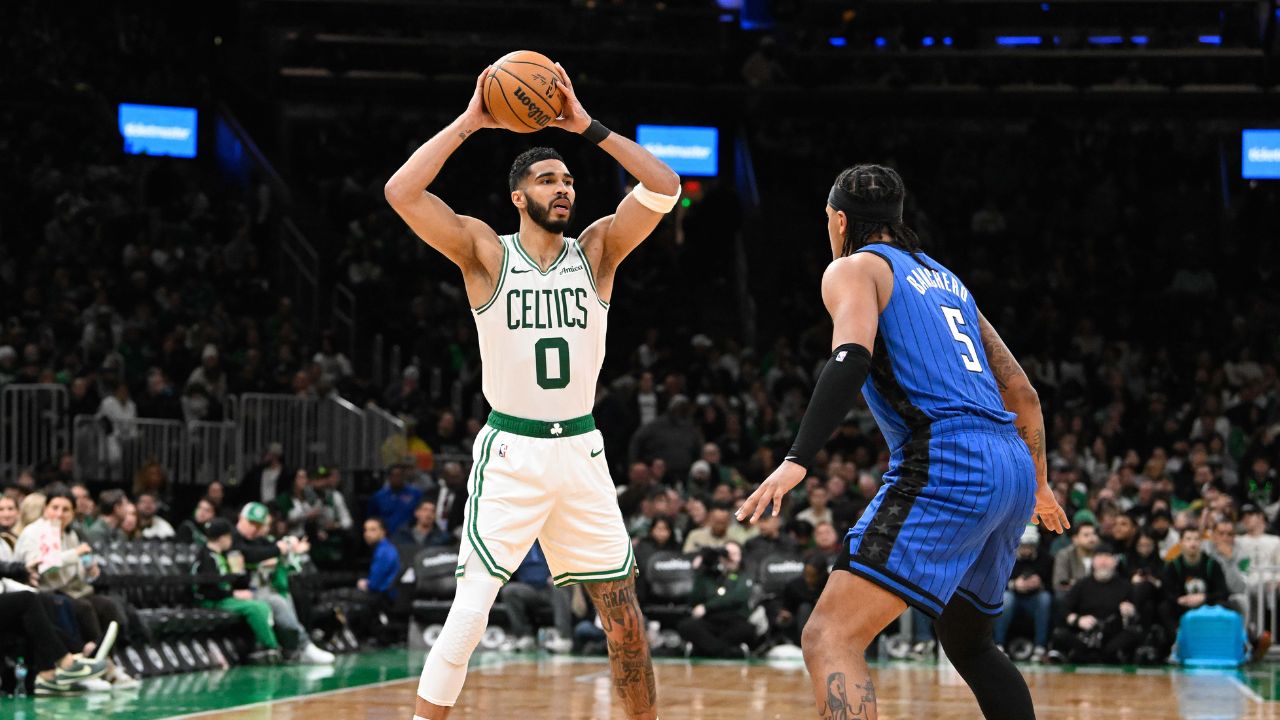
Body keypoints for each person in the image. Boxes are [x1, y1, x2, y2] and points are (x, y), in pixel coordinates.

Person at [385, 61, 679, 720]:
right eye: (548, 180)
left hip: (580, 451)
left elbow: (665, 186)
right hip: (513, 451)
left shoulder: (598, 251)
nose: (563, 188)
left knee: (625, 622)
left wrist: (587, 127)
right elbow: (402, 192)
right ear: (518, 196)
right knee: (470, 612)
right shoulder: (486, 253)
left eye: (568, 180)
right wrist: (471, 121)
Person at [736, 164, 1068, 720]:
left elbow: (851, 357)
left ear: (840, 221)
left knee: (829, 635)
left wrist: (797, 458)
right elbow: (1023, 392)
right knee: (970, 643)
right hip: (1011, 464)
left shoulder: (853, 268)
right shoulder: (948, 281)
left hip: (949, 460)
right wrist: (1039, 485)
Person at [14, 486, 138, 688]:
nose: (59, 514)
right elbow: (40, 568)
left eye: (65, 510)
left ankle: (109, 661)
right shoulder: (34, 533)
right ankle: (94, 667)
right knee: (83, 607)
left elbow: (76, 573)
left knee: (107, 605)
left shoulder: (70, 535)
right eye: (54, 508)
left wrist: (89, 570)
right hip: (40, 591)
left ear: (72, 513)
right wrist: (74, 555)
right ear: (45, 509)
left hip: (68, 590)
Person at [231, 502, 335, 664]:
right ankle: (303, 646)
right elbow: (249, 554)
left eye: (258, 525)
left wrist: (291, 546)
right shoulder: (231, 537)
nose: (253, 528)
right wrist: (279, 550)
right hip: (237, 591)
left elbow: (273, 547)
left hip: (255, 590)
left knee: (288, 593)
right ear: (241, 518)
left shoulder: (258, 540)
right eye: (250, 523)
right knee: (277, 601)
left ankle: (296, 647)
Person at [192, 517, 282, 663]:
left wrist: (239, 573)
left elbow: (231, 582)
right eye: (229, 537)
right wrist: (233, 593)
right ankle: (270, 647)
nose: (231, 540)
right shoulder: (207, 558)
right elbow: (208, 590)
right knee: (256, 608)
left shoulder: (221, 555)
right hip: (211, 601)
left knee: (261, 604)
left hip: (223, 597)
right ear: (223, 538)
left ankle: (258, 645)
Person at [1053, 543, 1144, 663]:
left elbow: (1137, 613)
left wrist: (1130, 611)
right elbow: (1064, 608)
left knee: (1135, 633)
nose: (1103, 561)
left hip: (1113, 637)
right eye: (1100, 557)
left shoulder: (1125, 586)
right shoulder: (1082, 585)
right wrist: (1078, 620)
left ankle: (1108, 656)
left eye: (1107, 557)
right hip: (1084, 636)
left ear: (1115, 562)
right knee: (1060, 633)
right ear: (1093, 561)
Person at [677, 542, 756, 658]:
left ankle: (707, 650)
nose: (730, 558)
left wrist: (707, 607)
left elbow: (737, 596)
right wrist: (701, 570)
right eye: (726, 554)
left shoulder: (744, 575)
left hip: (734, 620)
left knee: (747, 629)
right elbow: (694, 599)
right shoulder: (710, 576)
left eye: (734, 554)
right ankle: (727, 652)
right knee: (687, 626)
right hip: (710, 620)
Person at [497, 541, 574, 653]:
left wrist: (557, 574)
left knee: (560, 583)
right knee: (509, 590)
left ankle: (564, 638)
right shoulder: (516, 546)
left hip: (550, 588)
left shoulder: (551, 541)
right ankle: (524, 637)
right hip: (529, 590)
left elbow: (566, 561)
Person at [994, 524, 1053, 660]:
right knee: (1006, 598)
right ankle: (998, 644)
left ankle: (1040, 646)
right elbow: (995, 583)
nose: (1026, 549)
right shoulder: (1005, 557)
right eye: (1022, 546)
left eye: (1029, 546)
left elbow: (1052, 586)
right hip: (1012, 597)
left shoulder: (1046, 559)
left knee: (1045, 598)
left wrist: (1040, 584)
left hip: (1034, 599)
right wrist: (1014, 585)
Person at [1159, 529, 1231, 638]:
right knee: (1164, 607)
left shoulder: (1212, 564)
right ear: (1181, 543)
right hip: (1182, 605)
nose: (1193, 543)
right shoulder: (1173, 565)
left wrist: (1204, 597)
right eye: (1188, 539)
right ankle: (1178, 639)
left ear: (1201, 542)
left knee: (1224, 605)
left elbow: (1223, 591)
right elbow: (1166, 592)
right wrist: (1179, 599)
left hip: (1207, 605)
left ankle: (1217, 638)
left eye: (1196, 539)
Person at [367, 464, 423, 536]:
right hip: (386, 536)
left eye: (399, 475)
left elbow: (421, 515)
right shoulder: (378, 496)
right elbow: (372, 518)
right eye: (393, 475)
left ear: (404, 476)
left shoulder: (415, 494)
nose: (397, 478)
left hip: (410, 536)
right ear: (389, 477)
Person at [1054, 521, 1099, 599]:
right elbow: (1060, 582)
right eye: (1086, 535)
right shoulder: (1064, 555)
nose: (1091, 538)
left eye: (1094, 534)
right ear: (1075, 539)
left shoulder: (1101, 554)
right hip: (1073, 595)